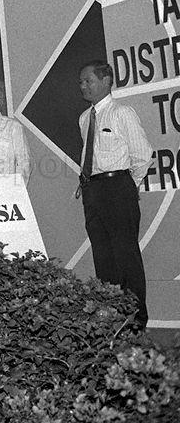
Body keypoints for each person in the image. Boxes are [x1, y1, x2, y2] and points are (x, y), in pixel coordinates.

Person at [77, 60, 152, 328]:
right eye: (82, 82)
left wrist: (126, 187)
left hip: (118, 187)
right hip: (92, 189)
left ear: (106, 80)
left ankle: (136, 319)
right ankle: (112, 318)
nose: (83, 86)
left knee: (125, 255)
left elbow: (142, 155)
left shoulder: (122, 113)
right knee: (103, 256)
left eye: (89, 80)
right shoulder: (85, 118)